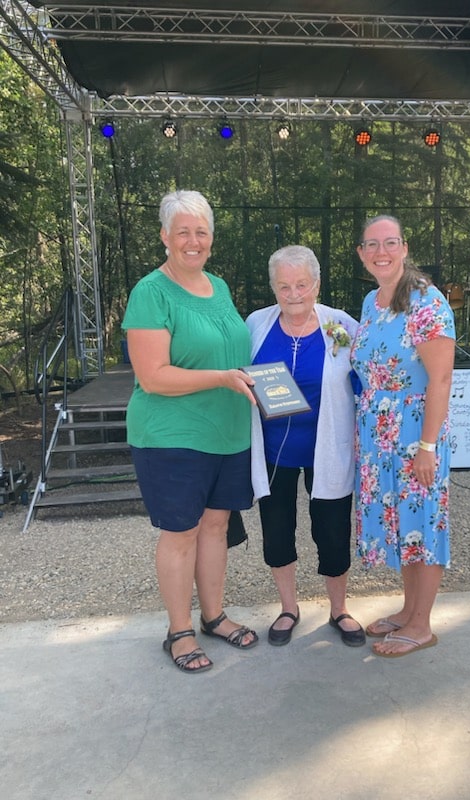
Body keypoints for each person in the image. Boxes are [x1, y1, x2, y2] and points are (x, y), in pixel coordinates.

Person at [122, 189, 259, 673]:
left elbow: (231, 353)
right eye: (183, 232)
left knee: (216, 527)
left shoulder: (218, 287)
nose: (193, 241)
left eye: (201, 231)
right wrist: (221, 378)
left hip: (227, 432)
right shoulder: (150, 292)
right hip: (171, 438)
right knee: (181, 532)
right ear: (165, 236)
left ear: (211, 238)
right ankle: (179, 631)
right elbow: (152, 376)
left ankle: (213, 616)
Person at [246, 245, 366, 647]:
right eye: (284, 286)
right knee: (277, 530)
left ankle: (339, 609)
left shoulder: (340, 325)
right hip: (274, 450)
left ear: (317, 283)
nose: (293, 294)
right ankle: (288, 607)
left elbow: (363, 377)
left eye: (301, 284)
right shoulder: (257, 324)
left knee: (332, 529)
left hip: (327, 447)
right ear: (273, 288)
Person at [351, 215, 456, 658]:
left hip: (415, 433)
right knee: (401, 525)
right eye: (372, 244)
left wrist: (427, 446)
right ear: (361, 253)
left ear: (405, 247)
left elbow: (441, 379)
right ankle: (409, 611)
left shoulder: (426, 301)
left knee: (423, 523)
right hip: (379, 437)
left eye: (390, 242)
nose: (381, 252)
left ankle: (421, 625)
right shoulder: (371, 302)